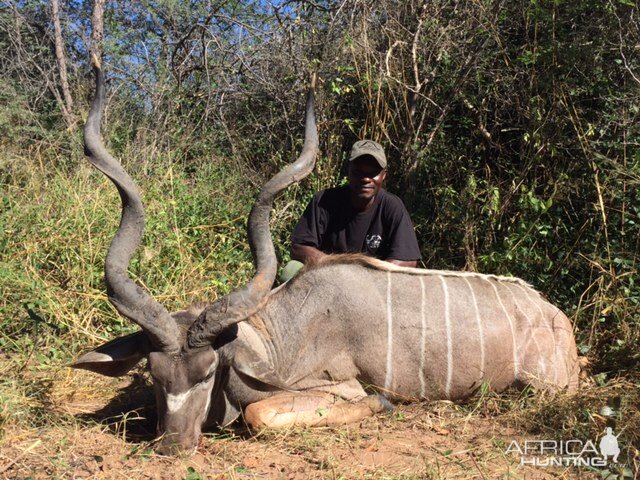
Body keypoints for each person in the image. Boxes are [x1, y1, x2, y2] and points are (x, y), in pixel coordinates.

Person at [281, 140, 421, 282]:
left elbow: (407, 261)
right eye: (358, 172)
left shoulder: (392, 206)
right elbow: (299, 247)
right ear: (348, 172)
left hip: (371, 284)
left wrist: (366, 278)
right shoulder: (324, 200)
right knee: (291, 270)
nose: (365, 179)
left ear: (384, 175)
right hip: (328, 278)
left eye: (373, 173)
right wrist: (337, 269)